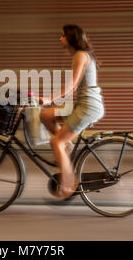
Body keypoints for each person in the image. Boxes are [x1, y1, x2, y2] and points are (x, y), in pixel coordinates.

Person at [39, 24, 105, 199]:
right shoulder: (79, 55)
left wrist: (48, 99)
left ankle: (68, 187)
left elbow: (72, 86)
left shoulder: (80, 55)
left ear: (70, 38)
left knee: (56, 143)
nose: (60, 38)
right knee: (45, 115)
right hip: (83, 105)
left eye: (62, 36)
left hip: (87, 107)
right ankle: (67, 146)